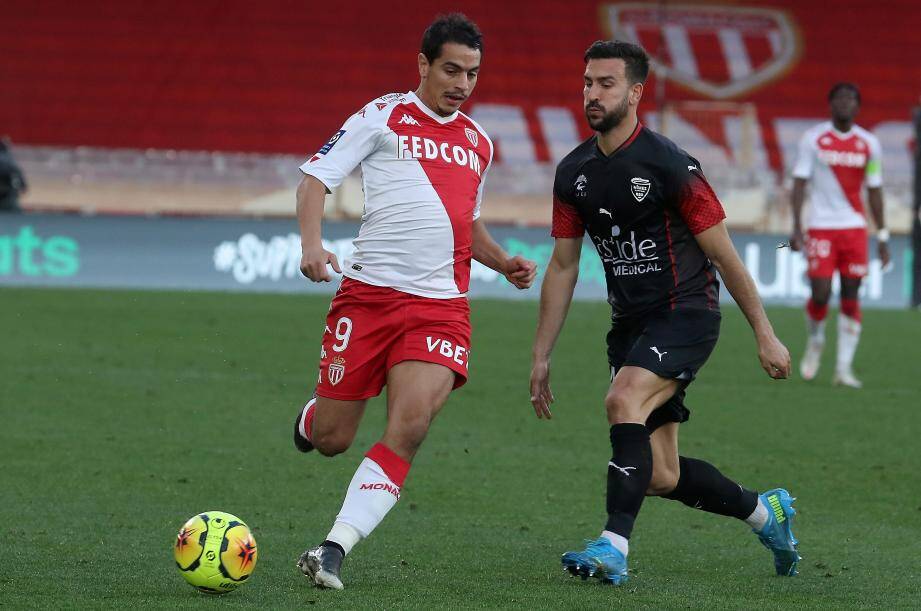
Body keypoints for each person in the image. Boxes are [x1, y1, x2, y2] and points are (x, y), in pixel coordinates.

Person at [528, 40, 799, 586]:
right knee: (660, 474)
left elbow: (723, 254)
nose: (592, 94)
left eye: (606, 84)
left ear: (635, 91)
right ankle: (766, 514)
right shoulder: (572, 172)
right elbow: (562, 267)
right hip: (629, 325)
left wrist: (765, 335)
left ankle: (612, 547)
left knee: (622, 398)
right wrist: (541, 355)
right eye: (587, 82)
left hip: (687, 313)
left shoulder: (671, 165)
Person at [291, 14, 537, 590]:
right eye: (451, 69)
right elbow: (314, 180)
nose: (462, 84)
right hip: (369, 299)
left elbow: (465, 226)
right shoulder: (384, 116)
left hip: (441, 306)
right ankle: (313, 414)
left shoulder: (479, 144)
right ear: (423, 65)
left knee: (411, 424)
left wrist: (503, 262)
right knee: (333, 439)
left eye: (472, 74)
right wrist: (311, 245)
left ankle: (333, 548)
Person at [790, 83, 890, 387]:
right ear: (830, 104)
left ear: (858, 107)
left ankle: (843, 369)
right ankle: (816, 339)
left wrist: (883, 236)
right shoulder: (813, 139)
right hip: (821, 226)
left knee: (851, 295)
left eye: (851, 99)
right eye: (840, 98)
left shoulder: (869, 143)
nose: (845, 103)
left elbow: (874, 189)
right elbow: (799, 182)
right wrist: (796, 226)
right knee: (820, 293)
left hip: (854, 229)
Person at [0, 137, 27, 213]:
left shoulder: (7, 159)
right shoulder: (8, 159)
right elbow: (17, 173)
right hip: (7, 196)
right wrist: (23, 186)